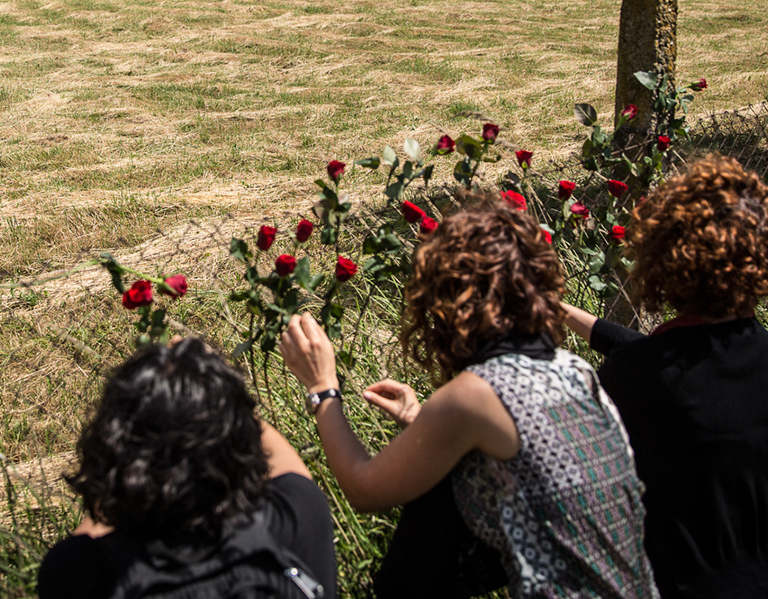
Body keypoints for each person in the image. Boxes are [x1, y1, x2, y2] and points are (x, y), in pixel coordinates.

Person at [280, 194, 658, 599]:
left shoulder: (475, 394)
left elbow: (363, 489)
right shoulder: (573, 369)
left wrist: (322, 386)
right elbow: (523, 455)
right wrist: (420, 420)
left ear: (443, 305)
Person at [559, 155, 768, 599]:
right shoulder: (763, 351)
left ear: (664, 256)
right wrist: (568, 313)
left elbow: (548, 455)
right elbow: (675, 358)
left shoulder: (641, 377)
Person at [37, 337, 337, 599]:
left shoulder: (82, 571)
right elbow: (282, 462)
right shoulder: (293, 519)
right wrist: (206, 383)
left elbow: (101, 513)